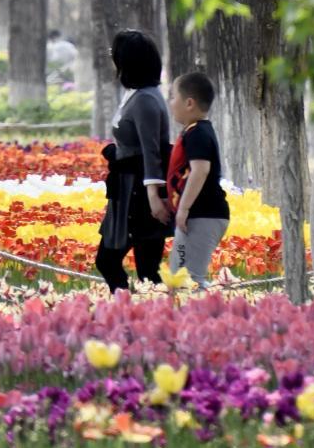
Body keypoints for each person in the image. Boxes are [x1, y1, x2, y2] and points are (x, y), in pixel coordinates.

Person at [96, 30, 173, 292]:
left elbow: (152, 152)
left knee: (132, 266)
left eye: (114, 55)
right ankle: (136, 315)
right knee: (142, 268)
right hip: (126, 189)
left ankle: (139, 315)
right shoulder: (138, 94)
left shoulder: (146, 100)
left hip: (139, 194)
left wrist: (154, 196)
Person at [166, 72, 230, 288]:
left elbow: (200, 170)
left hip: (202, 214)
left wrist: (183, 209)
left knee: (187, 281)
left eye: (173, 97)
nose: (171, 103)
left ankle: (200, 320)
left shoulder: (198, 134)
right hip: (200, 214)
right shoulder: (196, 131)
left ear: (189, 103)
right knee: (179, 278)